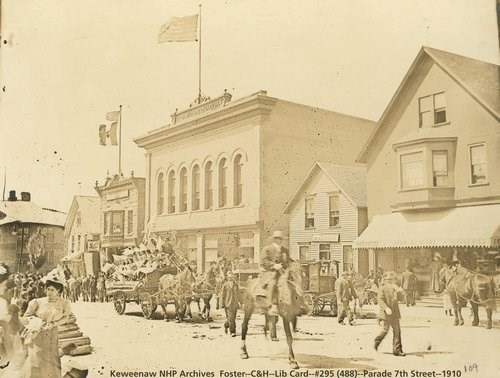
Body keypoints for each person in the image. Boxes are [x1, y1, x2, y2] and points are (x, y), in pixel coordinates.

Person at [22, 268, 72, 377]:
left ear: (58, 290)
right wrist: (39, 323)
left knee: (52, 361)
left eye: (52, 290)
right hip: (37, 337)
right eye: (48, 289)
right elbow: (26, 317)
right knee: (37, 362)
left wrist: (54, 324)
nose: (49, 292)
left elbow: (65, 317)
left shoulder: (64, 304)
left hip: (52, 336)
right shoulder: (37, 302)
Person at [258, 230, 290, 317]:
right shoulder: (267, 249)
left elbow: (287, 261)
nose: (279, 240)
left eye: (280, 239)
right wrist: (274, 265)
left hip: (283, 272)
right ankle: (272, 305)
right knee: (273, 283)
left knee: (292, 283)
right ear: (274, 239)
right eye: (277, 238)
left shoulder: (285, 250)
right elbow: (263, 261)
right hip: (270, 272)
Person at [374, 271, 405, 357]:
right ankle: (377, 341)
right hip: (386, 313)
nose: (391, 282)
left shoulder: (395, 288)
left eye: (393, 280)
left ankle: (397, 350)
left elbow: (401, 299)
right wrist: (386, 308)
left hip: (395, 313)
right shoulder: (382, 288)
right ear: (385, 280)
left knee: (397, 331)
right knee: (385, 330)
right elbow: (380, 300)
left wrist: (400, 292)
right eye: (389, 280)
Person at [220, 271, 239, 337]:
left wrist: (241, 302)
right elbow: (222, 295)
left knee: (232, 318)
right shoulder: (225, 285)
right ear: (227, 278)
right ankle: (232, 331)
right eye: (229, 277)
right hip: (228, 303)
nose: (231, 278)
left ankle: (226, 325)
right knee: (231, 318)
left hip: (235, 304)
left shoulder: (236, 285)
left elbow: (239, 295)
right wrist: (222, 304)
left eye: (232, 277)